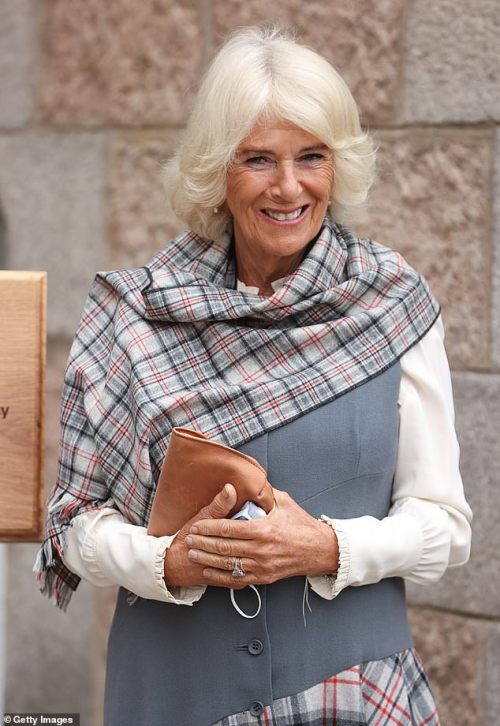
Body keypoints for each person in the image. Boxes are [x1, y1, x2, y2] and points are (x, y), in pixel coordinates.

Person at [34, 26, 472, 726]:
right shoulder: (133, 316)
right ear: (217, 169)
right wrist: (166, 563)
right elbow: (73, 526)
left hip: (350, 690)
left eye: (311, 157)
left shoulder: (392, 304)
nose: (289, 186)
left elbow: (444, 527)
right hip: (174, 697)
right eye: (258, 159)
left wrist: (329, 547)